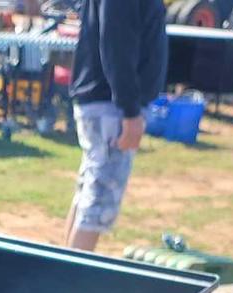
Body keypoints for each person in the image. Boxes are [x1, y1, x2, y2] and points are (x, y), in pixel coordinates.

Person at [65, 0, 169, 252]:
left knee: (89, 194)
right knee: (97, 205)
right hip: (111, 105)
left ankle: (64, 273)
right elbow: (116, 44)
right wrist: (130, 111)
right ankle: (70, 284)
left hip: (106, 102)